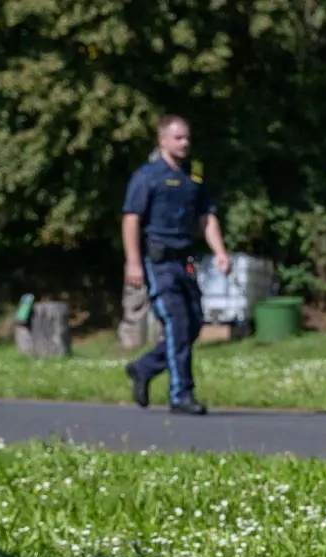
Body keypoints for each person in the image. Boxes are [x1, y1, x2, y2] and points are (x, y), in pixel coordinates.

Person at [122, 114, 230, 414]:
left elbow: (206, 217)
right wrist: (133, 263)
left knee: (194, 323)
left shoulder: (193, 176)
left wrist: (220, 252)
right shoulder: (147, 177)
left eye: (187, 138)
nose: (185, 143)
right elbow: (131, 219)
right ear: (163, 140)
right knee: (177, 324)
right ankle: (181, 394)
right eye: (178, 138)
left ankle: (144, 368)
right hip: (159, 264)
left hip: (187, 262)